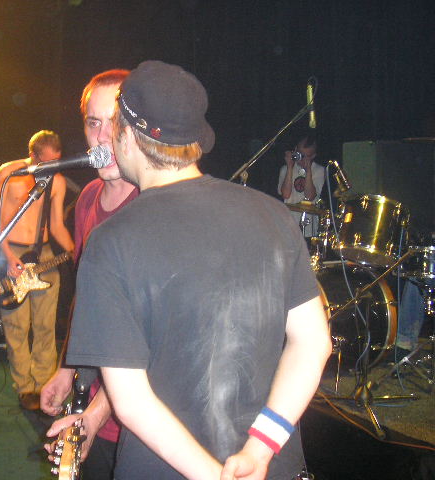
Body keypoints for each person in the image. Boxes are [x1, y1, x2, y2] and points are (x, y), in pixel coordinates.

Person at [65, 61, 332, 480]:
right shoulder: (274, 215)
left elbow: (131, 401)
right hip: (270, 468)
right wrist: (260, 448)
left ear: (127, 136)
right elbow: (313, 343)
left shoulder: (111, 242)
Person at [41, 69, 138, 479]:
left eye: (116, 123)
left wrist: (96, 416)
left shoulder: (152, 206)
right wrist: (67, 368)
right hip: (94, 396)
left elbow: (152, 335)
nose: (103, 137)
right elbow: (87, 297)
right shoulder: (88, 200)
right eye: (93, 122)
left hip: (138, 415)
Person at [0, 130, 75, 411]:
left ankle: (43, 384)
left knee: (46, 326)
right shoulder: (9, 173)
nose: (52, 167)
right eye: (47, 162)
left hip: (44, 254)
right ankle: (25, 387)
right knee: (17, 327)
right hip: (11, 252)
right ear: (33, 155)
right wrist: (7, 255)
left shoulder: (57, 181)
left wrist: (76, 250)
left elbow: (57, 225)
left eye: (56, 162)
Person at [277, 134, 325, 237]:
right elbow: (286, 194)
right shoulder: (285, 169)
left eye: (306, 156)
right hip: (288, 225)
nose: (301, 159)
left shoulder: (319, 170)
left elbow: (310, 196)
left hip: (308, 227)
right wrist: (290, 167)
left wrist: (308, 172)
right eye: (300, 154)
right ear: (295, 150)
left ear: (313, 156)